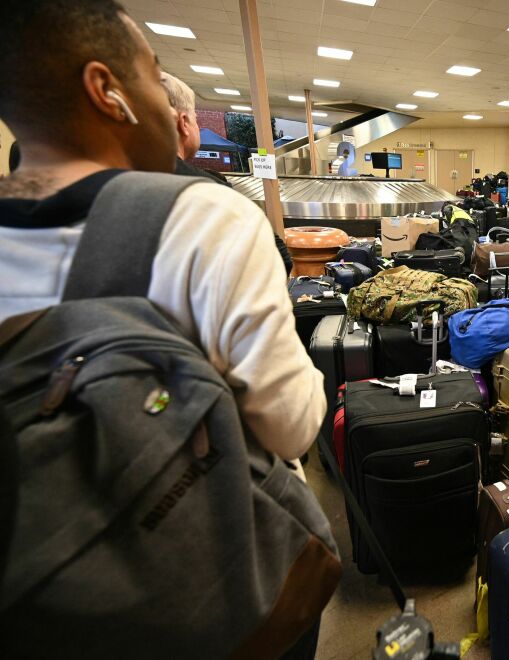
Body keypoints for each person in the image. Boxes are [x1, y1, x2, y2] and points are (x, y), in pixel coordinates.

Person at [0, 2, 327, 654]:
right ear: (107, 90)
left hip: (37, 588)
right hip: (208, 583)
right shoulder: (204, 219)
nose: (178, 112)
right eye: (153, 74)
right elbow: (290, 423)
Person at [160, 71, 294, 275]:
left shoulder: (109, 188)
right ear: (183, 123)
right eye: (196, 119)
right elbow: (278, 257)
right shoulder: (207, 189)